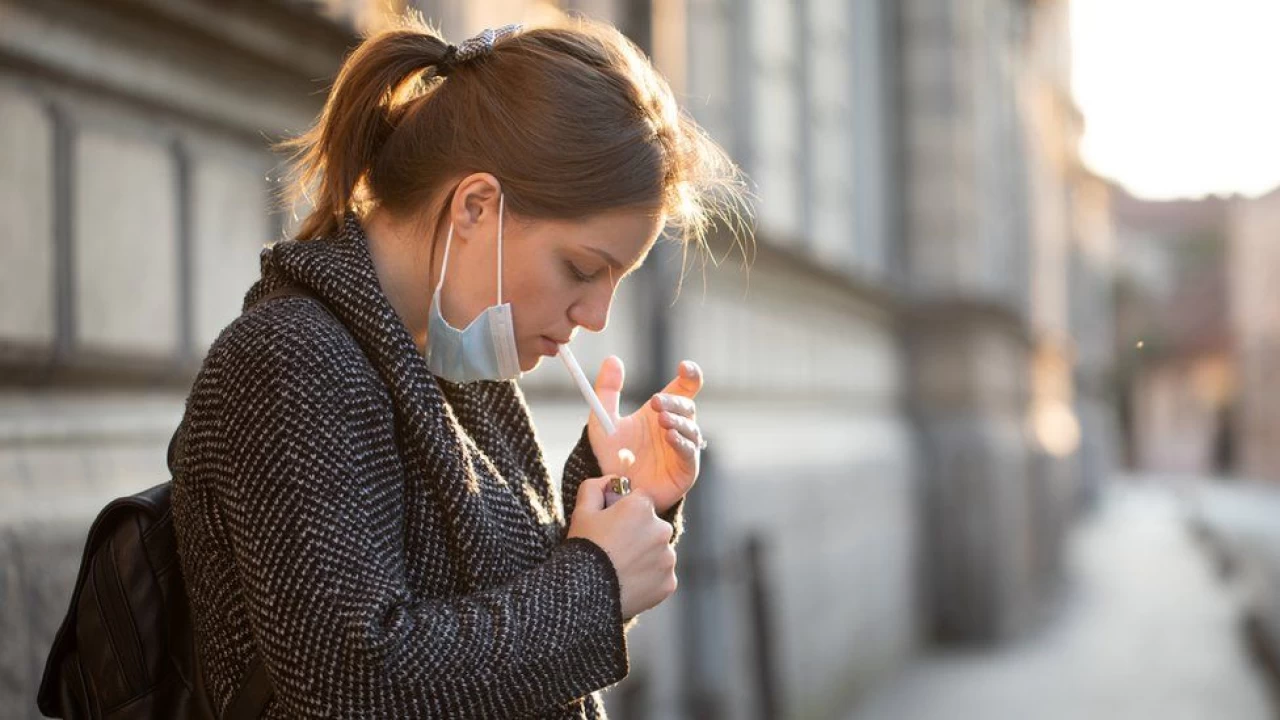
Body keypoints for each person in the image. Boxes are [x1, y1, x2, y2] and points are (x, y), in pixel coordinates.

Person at [169, 14, 747, 719]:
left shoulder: (457, 371)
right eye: (582, 269)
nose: (594, 316)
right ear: (477, 205)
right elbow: (351, 684)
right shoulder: (291, 361)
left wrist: (621, 497)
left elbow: (500, 653)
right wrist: (598, 581)